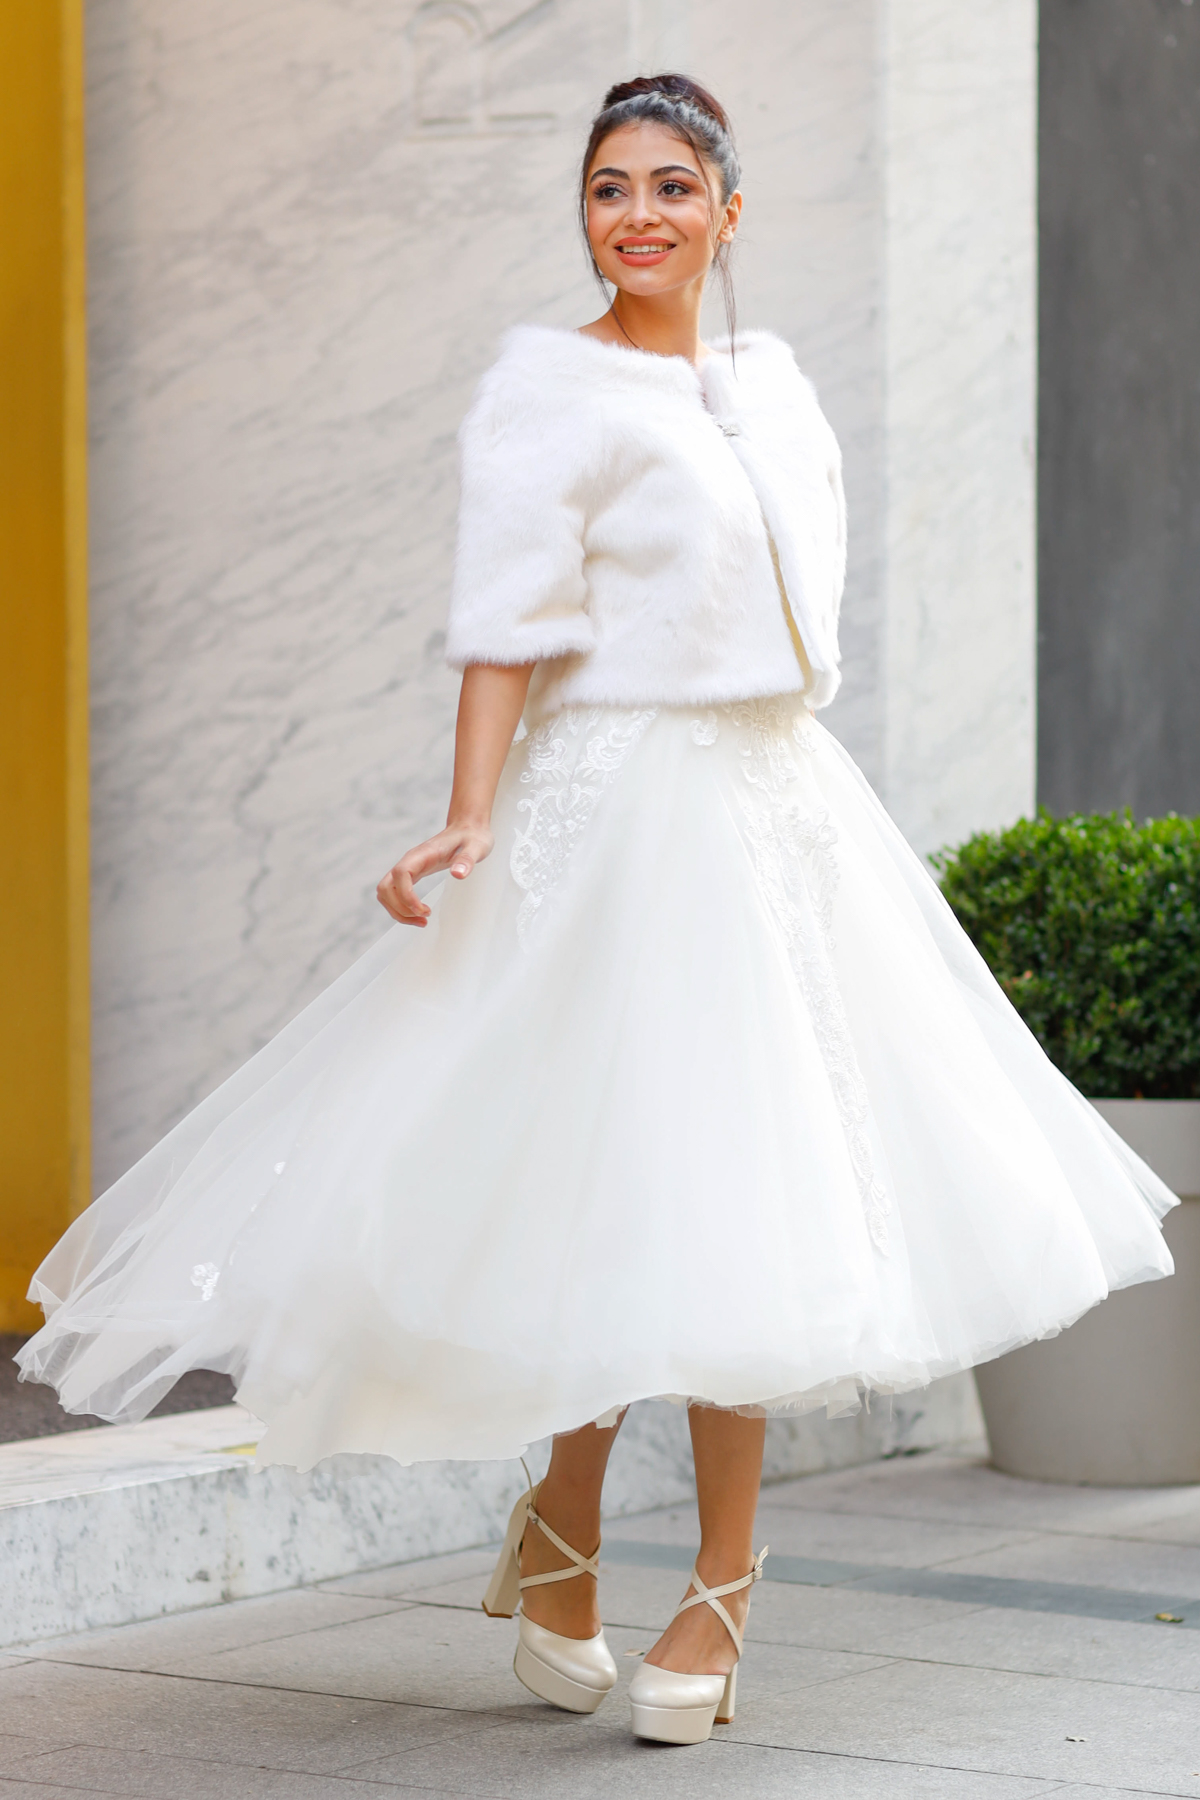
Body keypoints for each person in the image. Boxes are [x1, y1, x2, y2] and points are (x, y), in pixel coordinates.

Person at [18, 74, 1176, 1747]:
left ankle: (716, 1574)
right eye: (610, 187)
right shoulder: (546, 395)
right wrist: (470, 812)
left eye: (672, 186)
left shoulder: (775, 389)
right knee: (614, 1202)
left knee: (741, 1200)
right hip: (614, 811)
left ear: (729, 210)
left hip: (774, 809)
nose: (639, 214)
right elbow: (507, 624)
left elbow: (802, 615)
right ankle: (563, 1530)